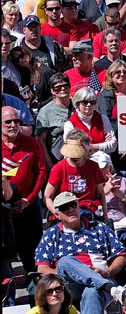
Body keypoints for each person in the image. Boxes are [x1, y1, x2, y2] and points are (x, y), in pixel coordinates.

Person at [34, 191, 126, 314]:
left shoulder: (98, 227)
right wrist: (71, 273)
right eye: (64, 207)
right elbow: (42, 269)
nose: (71, 209)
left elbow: (122, 256)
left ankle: (103, 285)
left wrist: (107, 271)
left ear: (78, 206)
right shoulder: (51, 234)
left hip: (103, 277)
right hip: (67, 286)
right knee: (65, 261)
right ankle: (107, 287)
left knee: (92, 292)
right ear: (57, 214)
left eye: (73, 205)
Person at [2, 104, 47, 275]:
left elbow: (41, 172)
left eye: (16, 121)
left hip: (29, 206)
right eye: (8, 122)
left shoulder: (31, 143)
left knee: (33, 254)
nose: (13, 125)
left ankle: (35, 293)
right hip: (4, 212)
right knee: (5, 259)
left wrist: (29, 199)